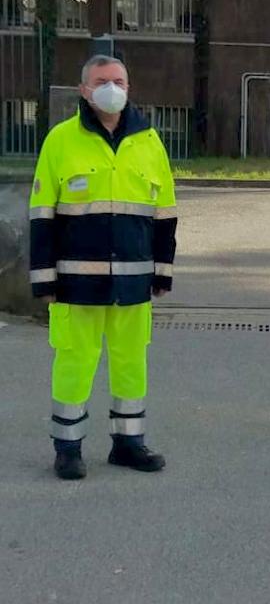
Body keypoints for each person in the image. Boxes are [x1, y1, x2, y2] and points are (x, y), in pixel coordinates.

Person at [29, 55, 177, 480]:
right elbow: (42, 213)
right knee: (75, 362)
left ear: (129, 87)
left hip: (134, 281)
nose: (111, 87)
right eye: (101, 81)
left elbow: (165, 213)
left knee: (131, 361)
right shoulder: (61, 140)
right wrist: (44, 278)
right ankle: (68, 449)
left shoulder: (149, 141)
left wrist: (163, 271)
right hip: (75, 283)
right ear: (84, 90)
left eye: (119, 80)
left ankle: (128, 444)